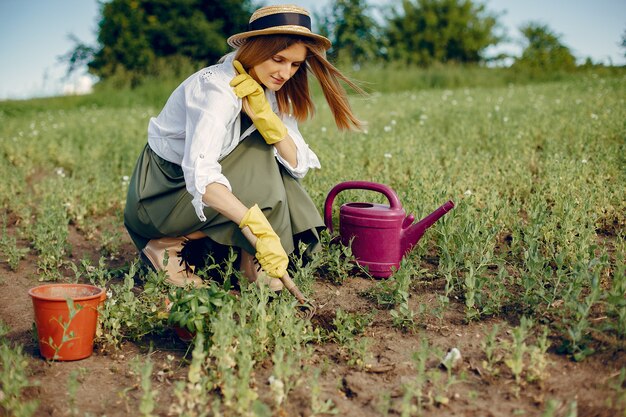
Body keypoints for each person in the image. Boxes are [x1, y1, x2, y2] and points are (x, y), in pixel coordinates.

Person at [124, 4, 363, 289]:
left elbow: (297, 166)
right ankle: (167, 246)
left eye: (296, 64)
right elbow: (201, 176)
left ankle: (249, 261)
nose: (286, 73)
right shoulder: (216, 88)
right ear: (256, 50)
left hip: (195, 195)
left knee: (278, 172)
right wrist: (257, 228)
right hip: (162, 194)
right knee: (261, 160)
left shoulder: (271, 91)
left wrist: (269, 122)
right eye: (278, 59)